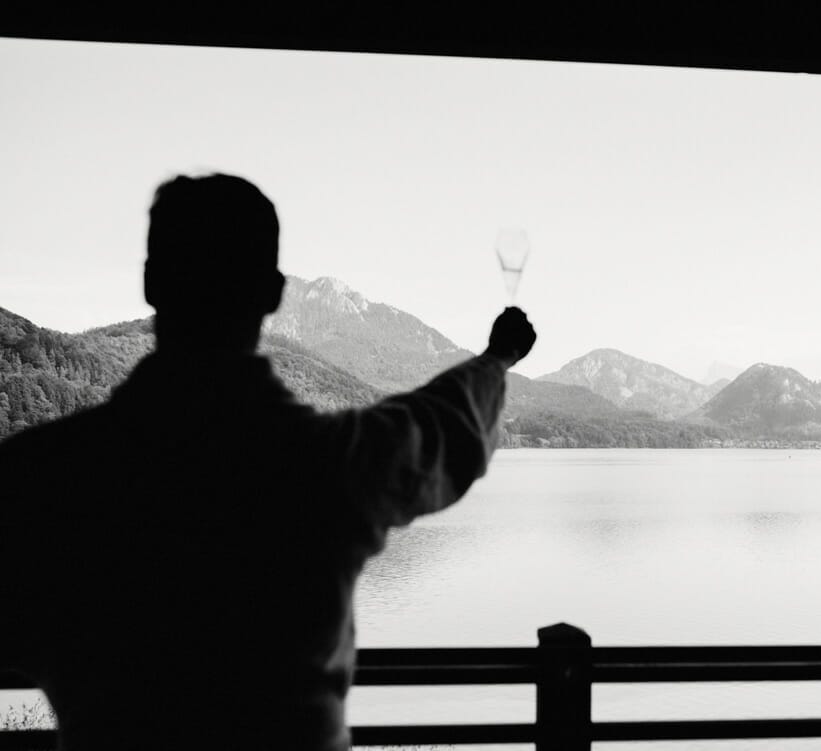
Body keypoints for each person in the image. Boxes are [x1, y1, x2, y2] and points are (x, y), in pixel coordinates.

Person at [0, 173, 536, 750]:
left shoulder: (40, 477)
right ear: (275, 293)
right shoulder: (331, 466)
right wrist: (498, 357)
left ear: (153, 283)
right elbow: (437, 429)